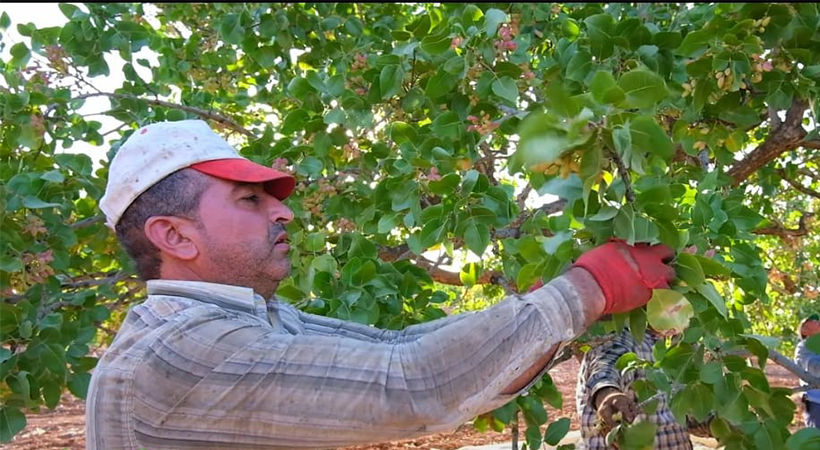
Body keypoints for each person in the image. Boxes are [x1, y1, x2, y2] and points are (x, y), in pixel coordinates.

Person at [86, 119, 677, 450]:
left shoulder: (255, 320)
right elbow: (413, 383)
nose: (283, 211)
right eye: (249, 200)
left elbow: (400, 348)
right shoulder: (179, 353)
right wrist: (589, 287)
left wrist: (550, 305)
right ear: (175, 236)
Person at [576, 328, 711, 450]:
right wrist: (606, 393)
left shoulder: (683, 344)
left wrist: (715, 423)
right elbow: (607, 366)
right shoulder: (620, 337)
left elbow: (688, 416)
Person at [795, 313, 820, 428]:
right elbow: (815, 369)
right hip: (816, 402)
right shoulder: (804, 347)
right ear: (804, 330)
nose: (818, 321)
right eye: (813, 320)